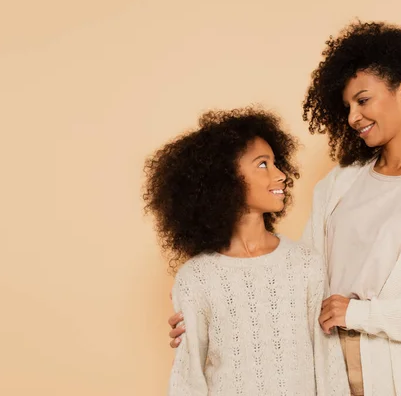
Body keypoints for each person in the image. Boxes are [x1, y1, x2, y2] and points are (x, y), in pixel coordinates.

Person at [167, 21, 401, 396]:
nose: (352, 118)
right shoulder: (339, 185)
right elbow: (299, 282)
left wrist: (364, 315)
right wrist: (209, 321)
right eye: (346, 107)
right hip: (320, 377)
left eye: (363, 100)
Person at [144, 107, 347, 395]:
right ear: (225, 179)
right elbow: (188, 380)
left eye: (276, 163)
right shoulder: (197, 278)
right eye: (263, 164)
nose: (280, 176)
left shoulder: (306, 265)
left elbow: (329, 367)